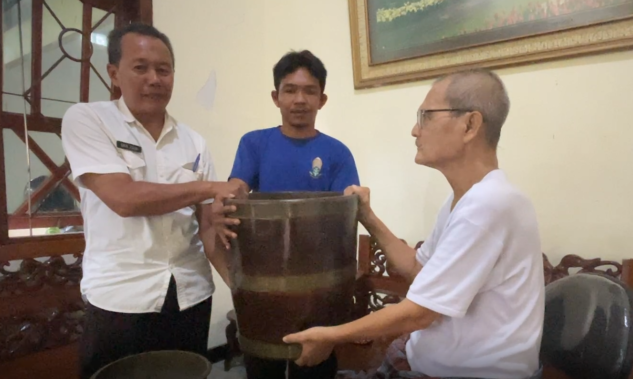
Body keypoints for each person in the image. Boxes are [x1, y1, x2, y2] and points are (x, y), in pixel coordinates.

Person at [282, 69, 545, 379]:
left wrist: (329, 336)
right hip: (421, 359)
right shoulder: (464, 200)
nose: (414, 130)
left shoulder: (489, 205)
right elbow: (418, 269)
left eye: (426, 116)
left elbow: (419, 313)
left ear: (470, 125)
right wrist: (368, 216)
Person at [61, 23, 242, 379]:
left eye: (164, 69)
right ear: (114, 73)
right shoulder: (88, 120)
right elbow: (124, 199)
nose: (154, 79)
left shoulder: (193, 142)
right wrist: (209, 188)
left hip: (190, 295)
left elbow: (207, 229)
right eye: (140, 67)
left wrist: (242, 292)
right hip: (120, 299)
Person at [213, 50, 360, 379]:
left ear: (322, 99)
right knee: (262, 365)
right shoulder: (254, 143)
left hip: (318, 285)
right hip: (265, 280)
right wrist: (222, 201)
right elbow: (237, 187)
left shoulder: (337, 153)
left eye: (309, 91)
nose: (299, 99)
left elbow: (347, 210)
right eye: (290, 90)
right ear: (275, 97)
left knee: (316, 368)